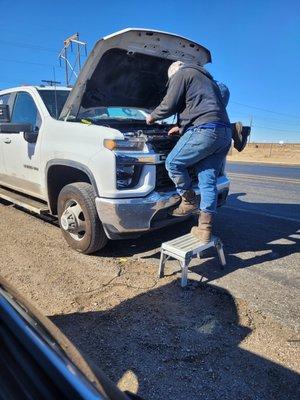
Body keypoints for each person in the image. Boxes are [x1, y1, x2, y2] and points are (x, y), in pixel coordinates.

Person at [146, 61, 232, 243]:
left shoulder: (182, 73)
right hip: (224, 132)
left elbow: (169, 104)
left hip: (205, 130)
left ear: (174, 74)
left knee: (172, 163)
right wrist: (181, 126)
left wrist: (152, 117)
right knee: (208, 181)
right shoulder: (208, 80)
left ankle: (188, 200)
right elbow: (219, 96)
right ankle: (205, 228)